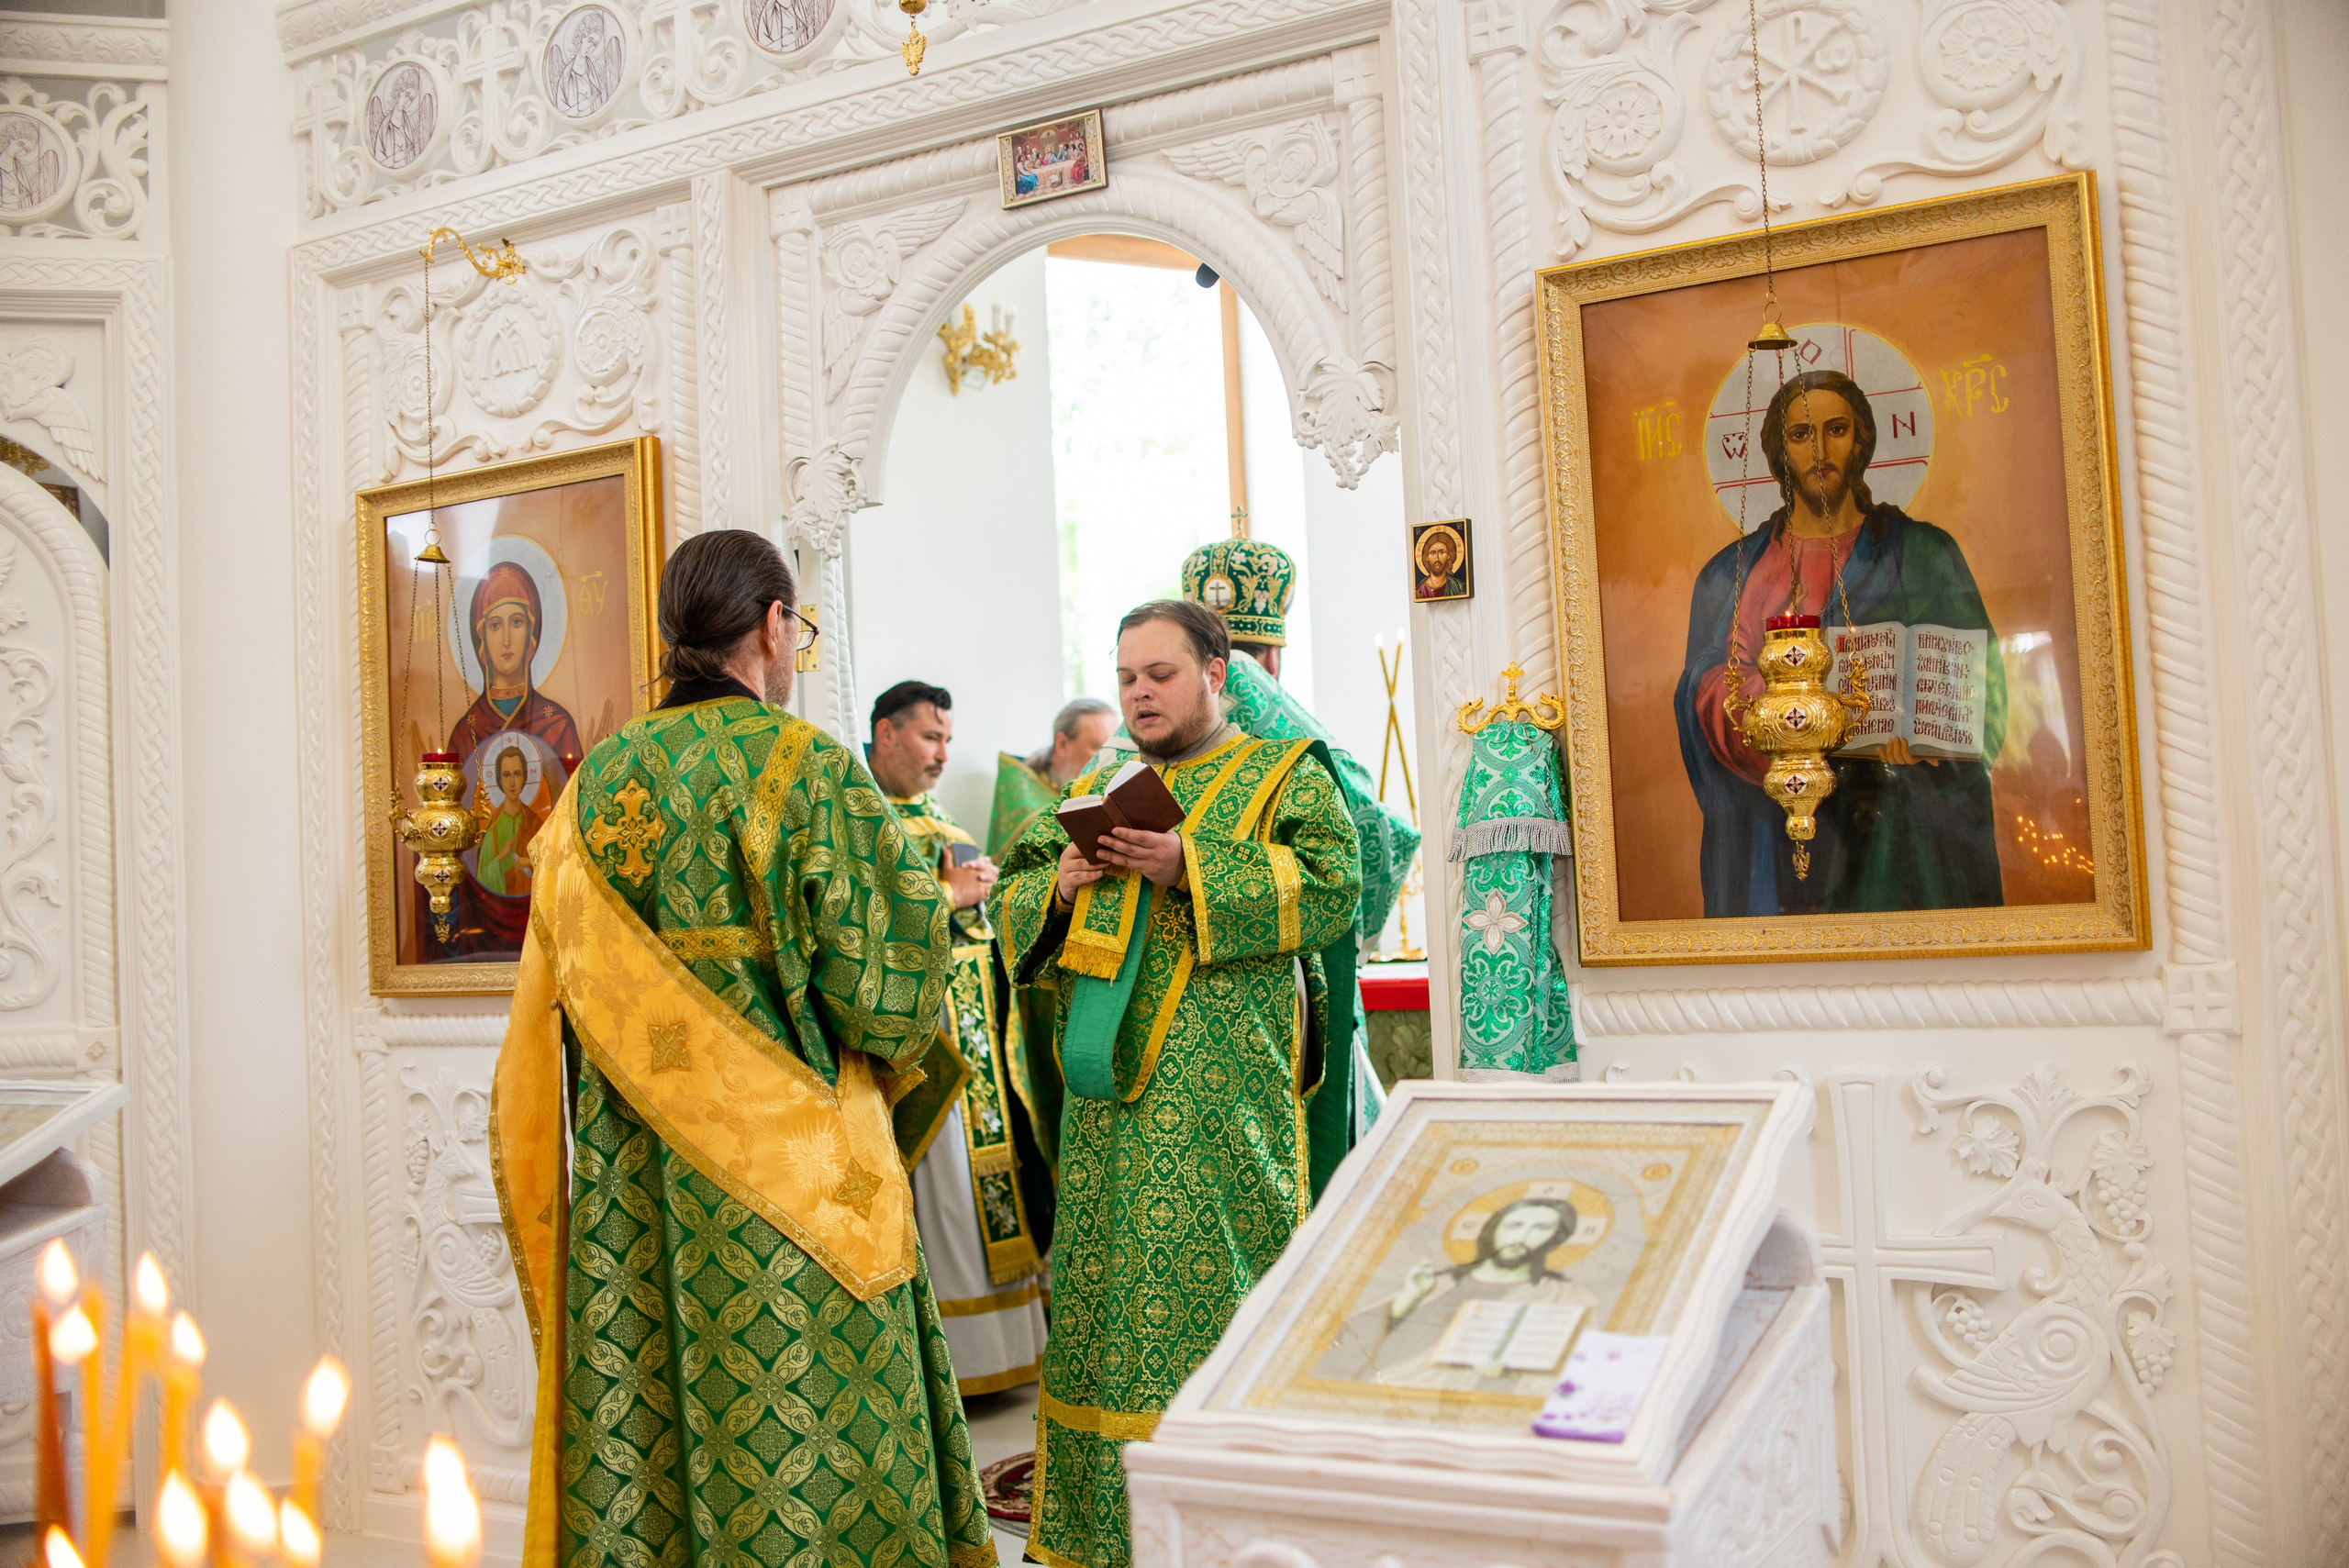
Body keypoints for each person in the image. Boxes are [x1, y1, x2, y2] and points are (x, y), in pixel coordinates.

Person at [491, 529, 993, 1568]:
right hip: (805, 1183)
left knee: (665, 1428)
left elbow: (557, 995)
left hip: (640, 1179)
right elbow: (883, 993)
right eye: (796, 626)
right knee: (818, 1440)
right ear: (770, 625)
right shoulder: (805, 763)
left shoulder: (595, 782)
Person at [991, 600, 1361, 1568]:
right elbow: (1015, 897)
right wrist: (1062, 882)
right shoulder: (1109, 781)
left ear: (1215, 674)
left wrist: (1188, 860)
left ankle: (1228, 1536)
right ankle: (1098, 1537)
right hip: (1107, 1107)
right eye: (1126, 677)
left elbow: (1333, 885)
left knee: (1220, 1300)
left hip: (1220, 1108)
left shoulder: (1285, 773)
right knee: (1103, 1308)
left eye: (1159, 672)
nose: (1140, 692)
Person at [1674, 369, 2008, 917]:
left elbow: (1981, 688)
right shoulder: (1731, 572)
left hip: (1890, 839)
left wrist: (1924, 740)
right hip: (1769, 829)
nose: (1820, 450)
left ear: (1862, 442)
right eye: (1801, 435)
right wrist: (1783, 706)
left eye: (1837, 430)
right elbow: (1701, 689)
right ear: (1779, 451)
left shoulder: (1922, 554)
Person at [1174, 538, 1423, 1139]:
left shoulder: (1141, 723)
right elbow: (1374, 829)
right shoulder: (1267, 707)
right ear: (1272, 657)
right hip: (1277, 981)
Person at [865, 679, 1051, 1398]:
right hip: (920, 1054)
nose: (944, 753)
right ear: (886, 732)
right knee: (939, 1196)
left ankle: (1001, 1354)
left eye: (948, 738)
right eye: (929, 737)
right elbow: (864, 928)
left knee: (984, 1187)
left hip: (977, 1046)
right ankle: (953, 1365)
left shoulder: (936, 817)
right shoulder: (863, 816)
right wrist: (952, 895)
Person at [434, 560, 581, 959]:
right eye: (494, 626)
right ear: (480, 639)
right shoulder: (465, 734)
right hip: (479, 927)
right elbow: (450, 846)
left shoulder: (558, 726)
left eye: (517, 622)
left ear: (533, 634)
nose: (506, 640)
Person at [1320, 1197, 1598, 1391]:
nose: (1522, 1237)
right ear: (1495, 1229)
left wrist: (1511, 1372)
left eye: (1541, 1228)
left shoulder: (1567, 1296)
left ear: (1556, 1238)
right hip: (1393, 1394)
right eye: (1514, 1225)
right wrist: (1408, 1300)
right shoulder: (1434, 1282)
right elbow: (1347, 1346)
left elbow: (1578, 1373)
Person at [988, 696, 1119, 861]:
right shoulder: (1024, 798)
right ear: (1062, 743)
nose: (1110, 759)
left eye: (1114, 750)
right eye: (1098, 748)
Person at [468, 740, 545, 897]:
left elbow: (553, 862)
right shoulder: (492, 828)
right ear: (499, 780)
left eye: (517, 774)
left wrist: (530, 861)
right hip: (500, 906)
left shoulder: (535, 822)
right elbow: (483, 877)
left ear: (524, 777)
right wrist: (500, 858)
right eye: (506, 775)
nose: (511, 783)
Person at [1412, 525, 1467, 599]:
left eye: (1441, 552)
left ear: (1449, 555)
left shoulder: (1460, 586)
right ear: (1426, 557)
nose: (1437, 558)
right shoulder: (1419, 591)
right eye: (1433, 553)